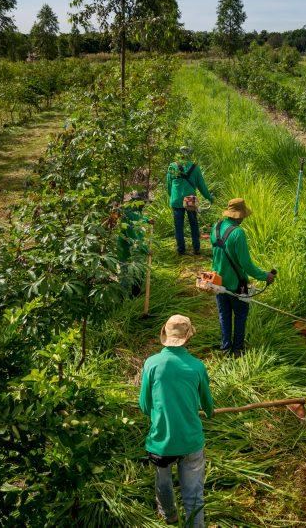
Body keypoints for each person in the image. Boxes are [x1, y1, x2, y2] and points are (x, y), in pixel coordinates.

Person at [139, 314, 214, 527]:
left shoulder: (152, 364)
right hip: (190, 440)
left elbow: (144, 406)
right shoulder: (197, 366)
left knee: (163, 486)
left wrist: (162, 412)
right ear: (188, 337)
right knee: (193, 496)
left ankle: (169, 516)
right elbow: (207, 405)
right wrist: (209, 412)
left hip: (161, 441)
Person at [210, 198, 275, 356]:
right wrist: (265, 276)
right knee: (240, 315)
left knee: (224, 315)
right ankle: (237, 349)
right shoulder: (238, 233)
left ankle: (225, 347)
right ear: (239, 215)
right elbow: (246, 264)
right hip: (238, 283)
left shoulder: (216, 227)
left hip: (217, 280)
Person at [165, 146, 214, 256]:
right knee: (194, 224)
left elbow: (169, 185)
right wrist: (210, 198)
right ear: (190, 155)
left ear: (179, 154)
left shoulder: (172, 166)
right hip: (190, 201)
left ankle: (181, 250)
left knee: (178, 226)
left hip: (177, 201)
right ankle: (196, 249)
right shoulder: (195, 168)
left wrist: (172, 197)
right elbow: (202, 186)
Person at [116, 190, 151, 297]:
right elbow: (133, 237)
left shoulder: (135, 210)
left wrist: (147, 220)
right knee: (125, 275)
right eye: (143, 202)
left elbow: (138, 219)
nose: (145, 205)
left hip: (135, 249)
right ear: (136, 201)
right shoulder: (128, 213)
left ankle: (135, 295)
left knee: (139, 271)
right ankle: (122, 299)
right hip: (126, 249)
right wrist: (146, 249)